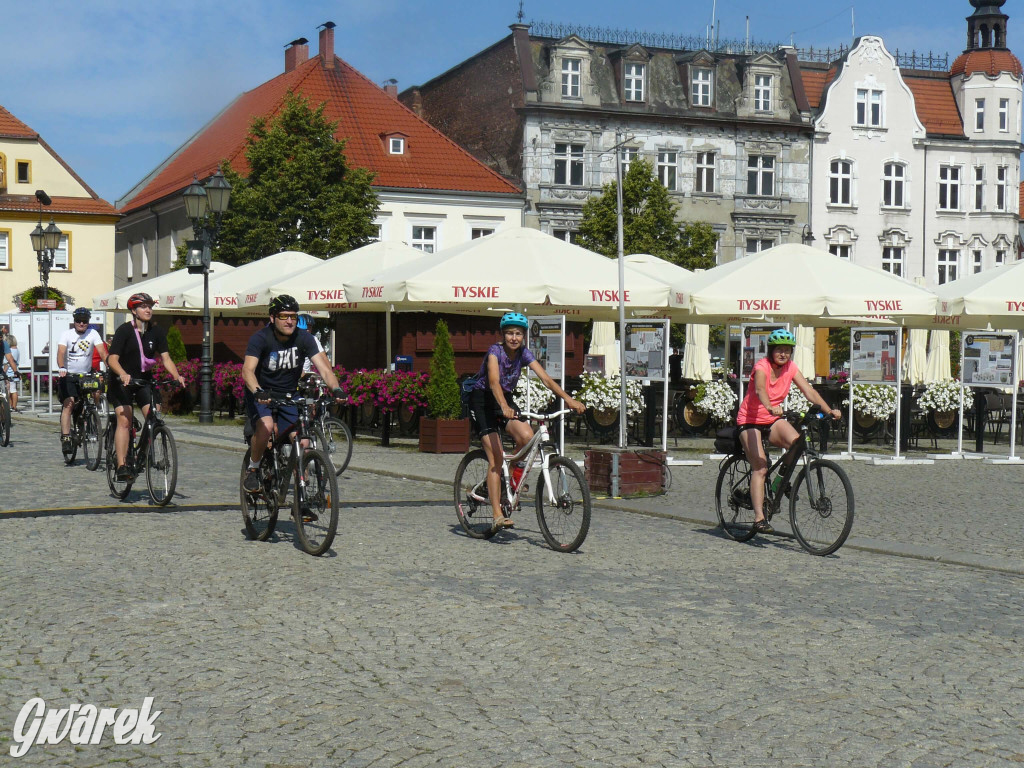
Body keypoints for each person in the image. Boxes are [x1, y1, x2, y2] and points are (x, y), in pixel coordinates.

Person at [467, 312, 585, 532]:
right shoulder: (495, 352)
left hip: (505, 400)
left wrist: (568, 399)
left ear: (524, 336)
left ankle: (506, 480)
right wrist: (503, 407)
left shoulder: (524, 353)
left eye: (518, 334)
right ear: (503, 335)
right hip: (483, 401)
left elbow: (546, 379)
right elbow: (493, 382)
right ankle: (497, 515)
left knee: (527, 437)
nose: (514, 338)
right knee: (496, 456)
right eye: (510, 333)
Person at [735, 328, 842, 534]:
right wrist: (768, 406)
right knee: (760, 466)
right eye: (779, 350)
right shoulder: (762, 367)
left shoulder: (791, 368)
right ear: (771, 351)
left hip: (772, 419)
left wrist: (829, 411)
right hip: (750, 421)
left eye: (787, 350)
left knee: (797, 442)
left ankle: (779, 482)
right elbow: (760, 390)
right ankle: (759, 518)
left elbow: (809, 391)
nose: (783, 354)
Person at [241, 295, 345, 494]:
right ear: (272, 318)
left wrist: (336, 388)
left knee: (303, 442)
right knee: (267, 426)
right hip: (262, 392)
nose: (289, 321)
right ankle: (253, 469)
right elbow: (247, 370)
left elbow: (324, 369)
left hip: (289, 395)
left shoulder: (304, 338)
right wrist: (257, 391)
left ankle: (301, 498)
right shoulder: (260, 338)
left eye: (293, 317)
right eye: (284, 316)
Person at [106, 294, 185, 480]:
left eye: (150, 306)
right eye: (143, 307)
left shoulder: (156, 333)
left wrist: (176, 376)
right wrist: (123, 373)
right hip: (121, 381)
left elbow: (166, 358)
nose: (148, 310)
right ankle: (122, 464)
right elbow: (112, 359)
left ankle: (144, 452)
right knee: (125, 419)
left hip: (143, 380)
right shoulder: (124, 331)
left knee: (155, 412)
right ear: (134, 311)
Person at [57, 308, 108, 453]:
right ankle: (66, 437)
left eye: (84, 321)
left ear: (88, 322)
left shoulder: (93, 333)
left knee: (95, 392)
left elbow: (103, 352)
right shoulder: (66, 334)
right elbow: (61, 352)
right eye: (78, 321)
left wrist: (109, 367)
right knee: (69, 403)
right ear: (74, 321)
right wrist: (61, 366)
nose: (81, 323)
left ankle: (88, 418)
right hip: (69, 375)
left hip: (86, 374)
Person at [3, 334, 19, 411]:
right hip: (15, 372)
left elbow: (7, 362)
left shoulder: (9, 351)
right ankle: (14, 406)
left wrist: (4, 372)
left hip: (8, 373)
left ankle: (8, 406)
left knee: (7, 390)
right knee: (14, 390)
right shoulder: (17, 350)